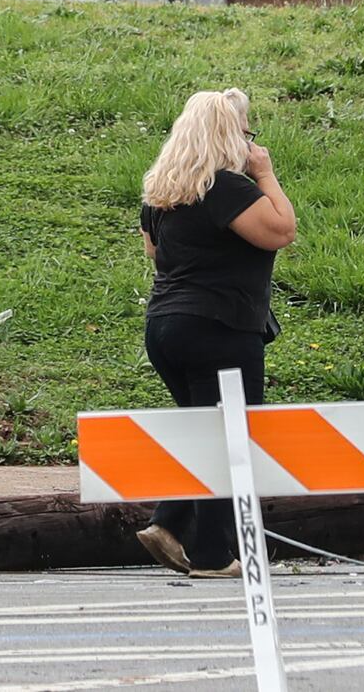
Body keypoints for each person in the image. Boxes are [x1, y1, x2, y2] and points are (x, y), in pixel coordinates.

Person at [133, 86, 298, 576]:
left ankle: (173, 526)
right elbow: (281, 230)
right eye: (249, 134)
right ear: (233, 137)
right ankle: (206, 551)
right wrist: (266, 174)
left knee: (212, 434)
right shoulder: (225, 188)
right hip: (219, 327)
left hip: (165, 328)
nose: (253, 143)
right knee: (233, 437)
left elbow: (154, 254)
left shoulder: (161, 195)